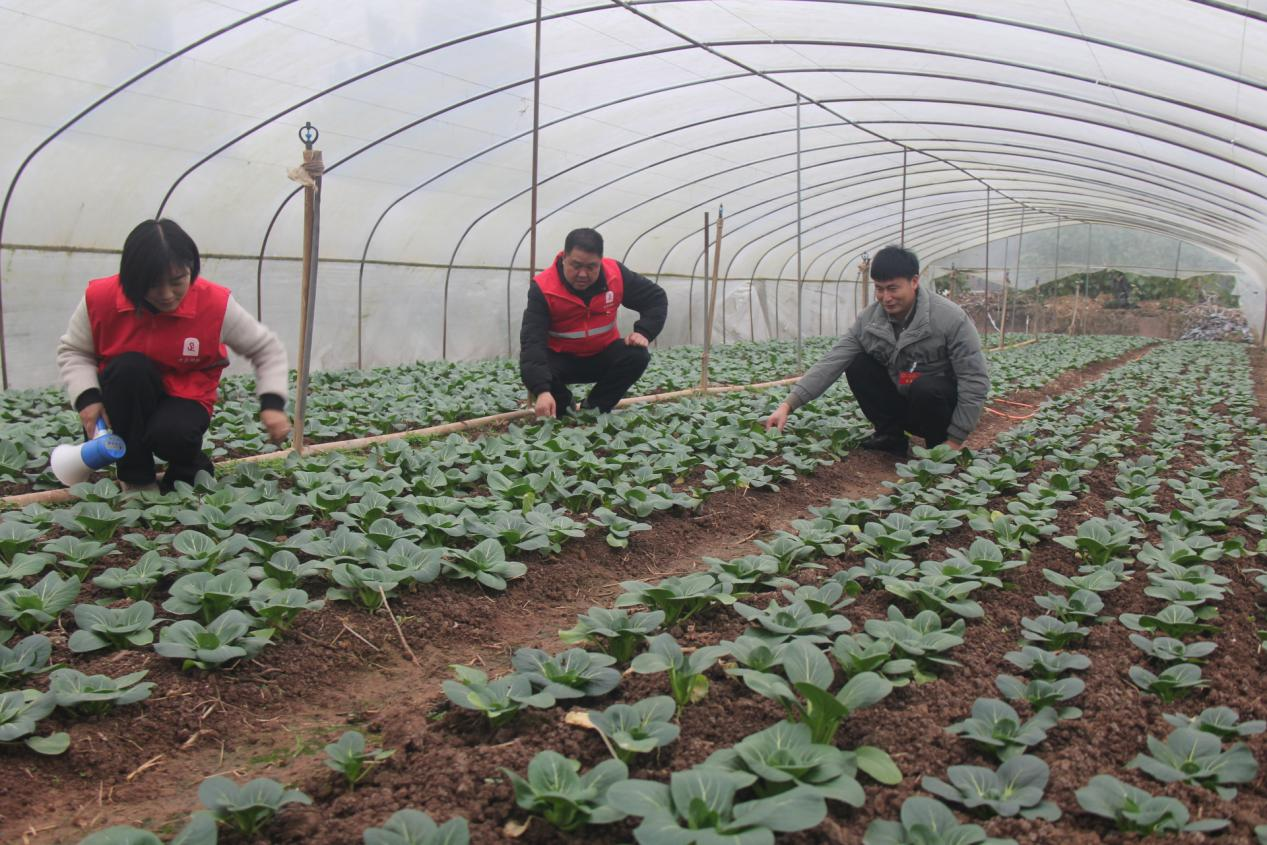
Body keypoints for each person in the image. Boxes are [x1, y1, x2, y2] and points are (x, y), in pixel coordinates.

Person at [56, 219, 291, 491]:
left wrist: (272, 403)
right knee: (128, 369)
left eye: (178, 280)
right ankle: (136, 479)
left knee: (173, 433)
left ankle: (189, 468)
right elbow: (74, 350)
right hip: (128, 390)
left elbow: (266, 349)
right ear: (132, 279)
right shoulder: (101, 299)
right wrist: (87, 397)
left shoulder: (213, 303)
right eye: (154, 285)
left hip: (187, 394)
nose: (167, 294)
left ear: (191, 268)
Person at [765, 245, 990, 456]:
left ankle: (938, 446)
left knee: (925, 385)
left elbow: (974, 379)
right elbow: (832, 361)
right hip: (905, 395)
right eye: (879, 289)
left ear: (914, 281)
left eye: (893, 288)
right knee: (857, 363)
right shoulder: (869, 321)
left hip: (941, 408)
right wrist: (788, 404)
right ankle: (890, 436)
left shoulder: (950, 318)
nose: (886, 298)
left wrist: (955, 440)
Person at [520, 228, 668, 418]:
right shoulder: (544, 287)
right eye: (576, 265)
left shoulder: (616, 275)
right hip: (561, 360)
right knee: (532, 367)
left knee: (637, 355)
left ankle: (595, 407)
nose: (582, 274)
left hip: (602, 355)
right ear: (564, 257)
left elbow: (655, 298)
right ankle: (565, 406)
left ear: (600, 261)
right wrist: (542, 391)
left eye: (591, 267)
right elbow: (533, 340)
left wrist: (645, 332)